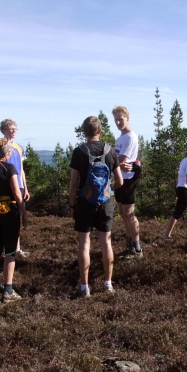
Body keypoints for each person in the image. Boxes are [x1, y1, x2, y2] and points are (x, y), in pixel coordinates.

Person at [69, 116, 123, 298]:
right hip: (105, 203)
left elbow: (73, 184)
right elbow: (120, 181)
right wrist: (108, 190)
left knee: (84, 244)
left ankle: (85, 288)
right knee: (106, 243)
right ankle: (108, 284)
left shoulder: (79, 152)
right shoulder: (110, 151)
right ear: (100, 131)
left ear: (84, 132)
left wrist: (72, 205)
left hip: (85, 203)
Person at [0, 138, 29, 302]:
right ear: (8, 152)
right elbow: (17, 193)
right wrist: (24, 212)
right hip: (10, 211)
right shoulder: (10, 168)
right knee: (10, 251)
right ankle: (8, 290)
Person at [0, 119, 30, 258]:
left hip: (18, 186)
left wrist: (25, 188)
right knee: (4, 217)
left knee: (17, 216)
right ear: (3, 130)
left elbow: (22, 169)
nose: (13, 131)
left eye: (15, 129)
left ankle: (17, 248)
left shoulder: (19, 147)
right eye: (10, 129)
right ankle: (3, 248)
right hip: (5, 188)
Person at [112, 105, 143, 259]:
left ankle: (137, 247)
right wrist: (116, 163)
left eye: (121, 119)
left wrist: (115, 163)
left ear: (127, 118)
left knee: (129, 214)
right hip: (120, 178)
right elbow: (116, 160)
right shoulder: (120, 138)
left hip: (128, 179)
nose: (118, 122)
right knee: (122, 213)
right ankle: (131, 242)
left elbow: (120, 159)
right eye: (116, 120)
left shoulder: (131, 137)